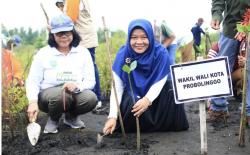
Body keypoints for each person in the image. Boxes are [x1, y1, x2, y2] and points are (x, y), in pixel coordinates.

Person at [103, 19, 189, 134]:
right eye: (134, 37)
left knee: (171, 88)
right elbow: (117, 87)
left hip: (156, 97)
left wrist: (147, 100)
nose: (139, 42)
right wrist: (112, 116)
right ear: (129, 38)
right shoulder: (124, 54)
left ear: (150, 36)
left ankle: (163, 124)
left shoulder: (160, 53)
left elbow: (160, 81)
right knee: (129, 103)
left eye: (144, 37)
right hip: (134, 95)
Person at [26, 14, 97, 134]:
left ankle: (71, 117)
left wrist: (77, 86)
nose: (64, 37)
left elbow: (90, 80)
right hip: (49, 96)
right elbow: (33, 80)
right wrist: (32, 102)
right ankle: (53, 119)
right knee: (61, 95)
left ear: (73, 33)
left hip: (74, 93)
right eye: (59, 33)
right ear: (52, 35)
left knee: (90, 98)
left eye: (67, 33)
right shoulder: (43, 54)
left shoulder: (83, 52)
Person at [209, 0, 250, 125]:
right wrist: (216, 14)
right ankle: (218, 108)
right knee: (222, 66)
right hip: (231, 27)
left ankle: (248, 112)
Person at [64, 0, 102, 110]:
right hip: (87, 36)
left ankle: (95, 98)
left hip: (83, 38)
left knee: (89, 68)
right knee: (90, 67)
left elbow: (70, 19)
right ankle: (95, 98)